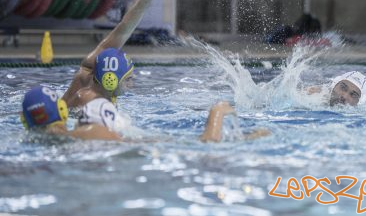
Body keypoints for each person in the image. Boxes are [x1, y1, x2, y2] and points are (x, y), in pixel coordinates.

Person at [62, 0, 174, 112]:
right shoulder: (92, 104)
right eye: (128, 79)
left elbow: (124, 29)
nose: (131, 85)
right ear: (111, 80)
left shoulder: (96, 65)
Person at [21, 87, 269, 143]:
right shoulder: (89, 131)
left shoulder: (31, 143)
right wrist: (216, 115)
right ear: (63, 111)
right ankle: (218, 112)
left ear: (25, 122)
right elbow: (205, 147)